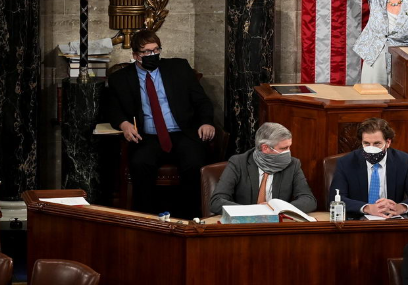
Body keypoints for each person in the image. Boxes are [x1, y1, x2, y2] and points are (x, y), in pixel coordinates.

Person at [103, 30, 216, 218]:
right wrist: (124, 125)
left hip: (182, 133)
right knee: (140, 163)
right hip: (147, 137)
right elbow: (112, 110)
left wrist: (206, 122)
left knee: (195, 162)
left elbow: (201, 101)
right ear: (135, 55)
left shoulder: (179, 68)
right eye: (146, 52)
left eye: (156, 50)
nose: (152, 55)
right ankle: (147, 219)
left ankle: (189, 218)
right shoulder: (120, 78)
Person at [209, 122, 316, 216]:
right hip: (245, 227)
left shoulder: (293, 165)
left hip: (278, 227)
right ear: (265, 148)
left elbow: (309, 200)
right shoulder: (238, 163)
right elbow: (216, 201)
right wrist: (256, 210)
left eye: (289, 147)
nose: (288, 152)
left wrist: (278, 208)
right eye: (284, 148)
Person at [328, 117, 408, 217]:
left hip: (391, 220)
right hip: (358, 221)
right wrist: (367, 208)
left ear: (388, 143)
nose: (371, 149)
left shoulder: (403, 161)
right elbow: (334, 199)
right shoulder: (346, 162)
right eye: (366, 143)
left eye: (377, 144)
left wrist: (400, 207)